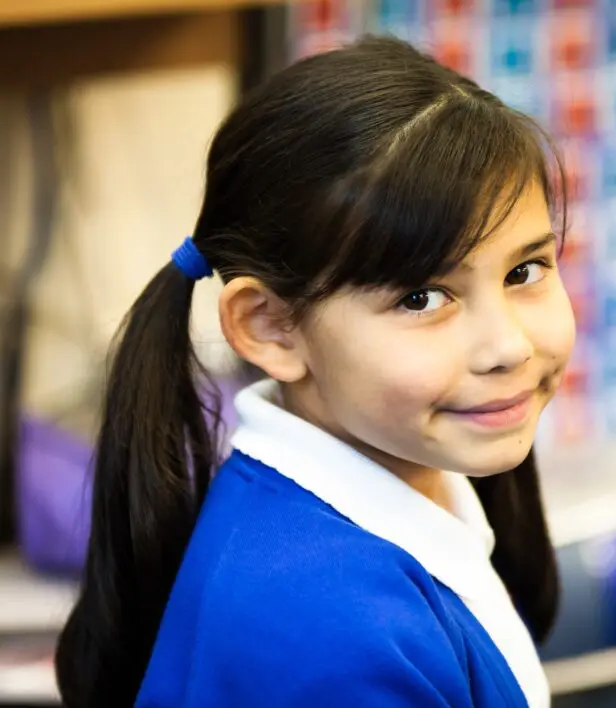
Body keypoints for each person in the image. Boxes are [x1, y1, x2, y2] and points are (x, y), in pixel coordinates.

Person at [54, 36, 576, 708]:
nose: (508, 346)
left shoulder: (410, 474)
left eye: (524, 271)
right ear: (272, 327)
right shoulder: (329, 639)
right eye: (420, 297)